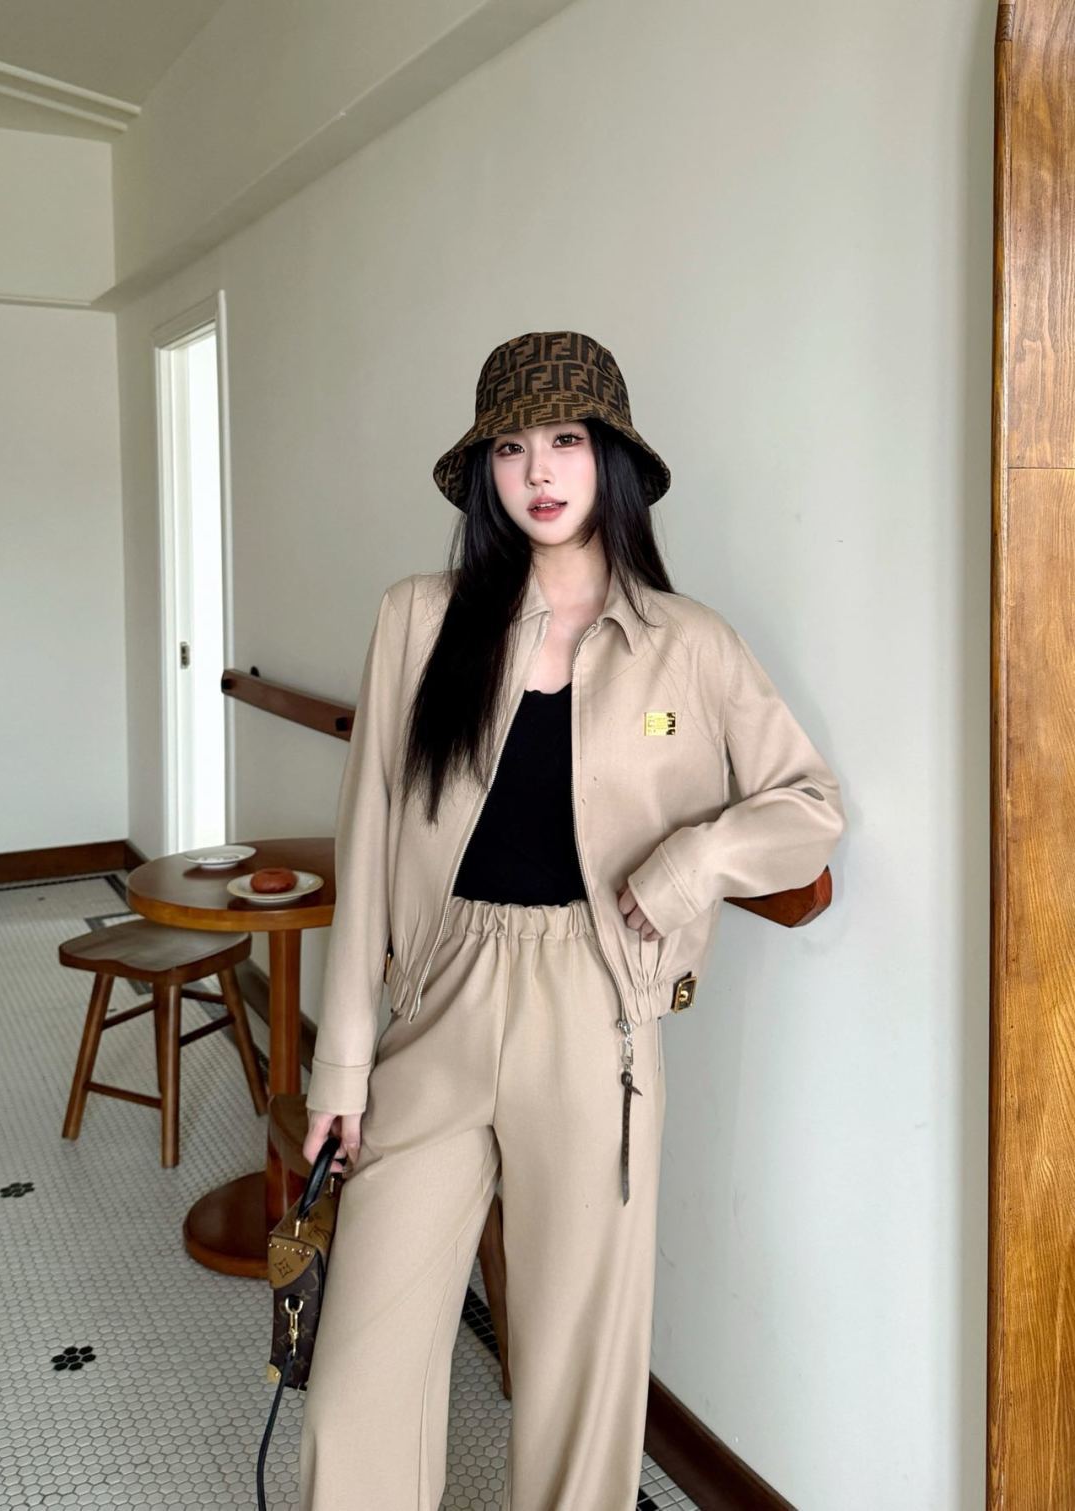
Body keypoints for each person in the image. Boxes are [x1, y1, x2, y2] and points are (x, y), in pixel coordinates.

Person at [297, 329, 847, 1510]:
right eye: (510, 447)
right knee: (356, 1380)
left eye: (565, 439)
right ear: (483, 472)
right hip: (438, 1000)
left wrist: (693, 861)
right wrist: (339, 1064)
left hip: (598, 1015)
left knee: (575, 1381)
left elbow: (811, 810)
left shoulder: (688, 643)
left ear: (612, 459)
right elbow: (369, 836)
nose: (538, 470)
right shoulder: (419, 619)